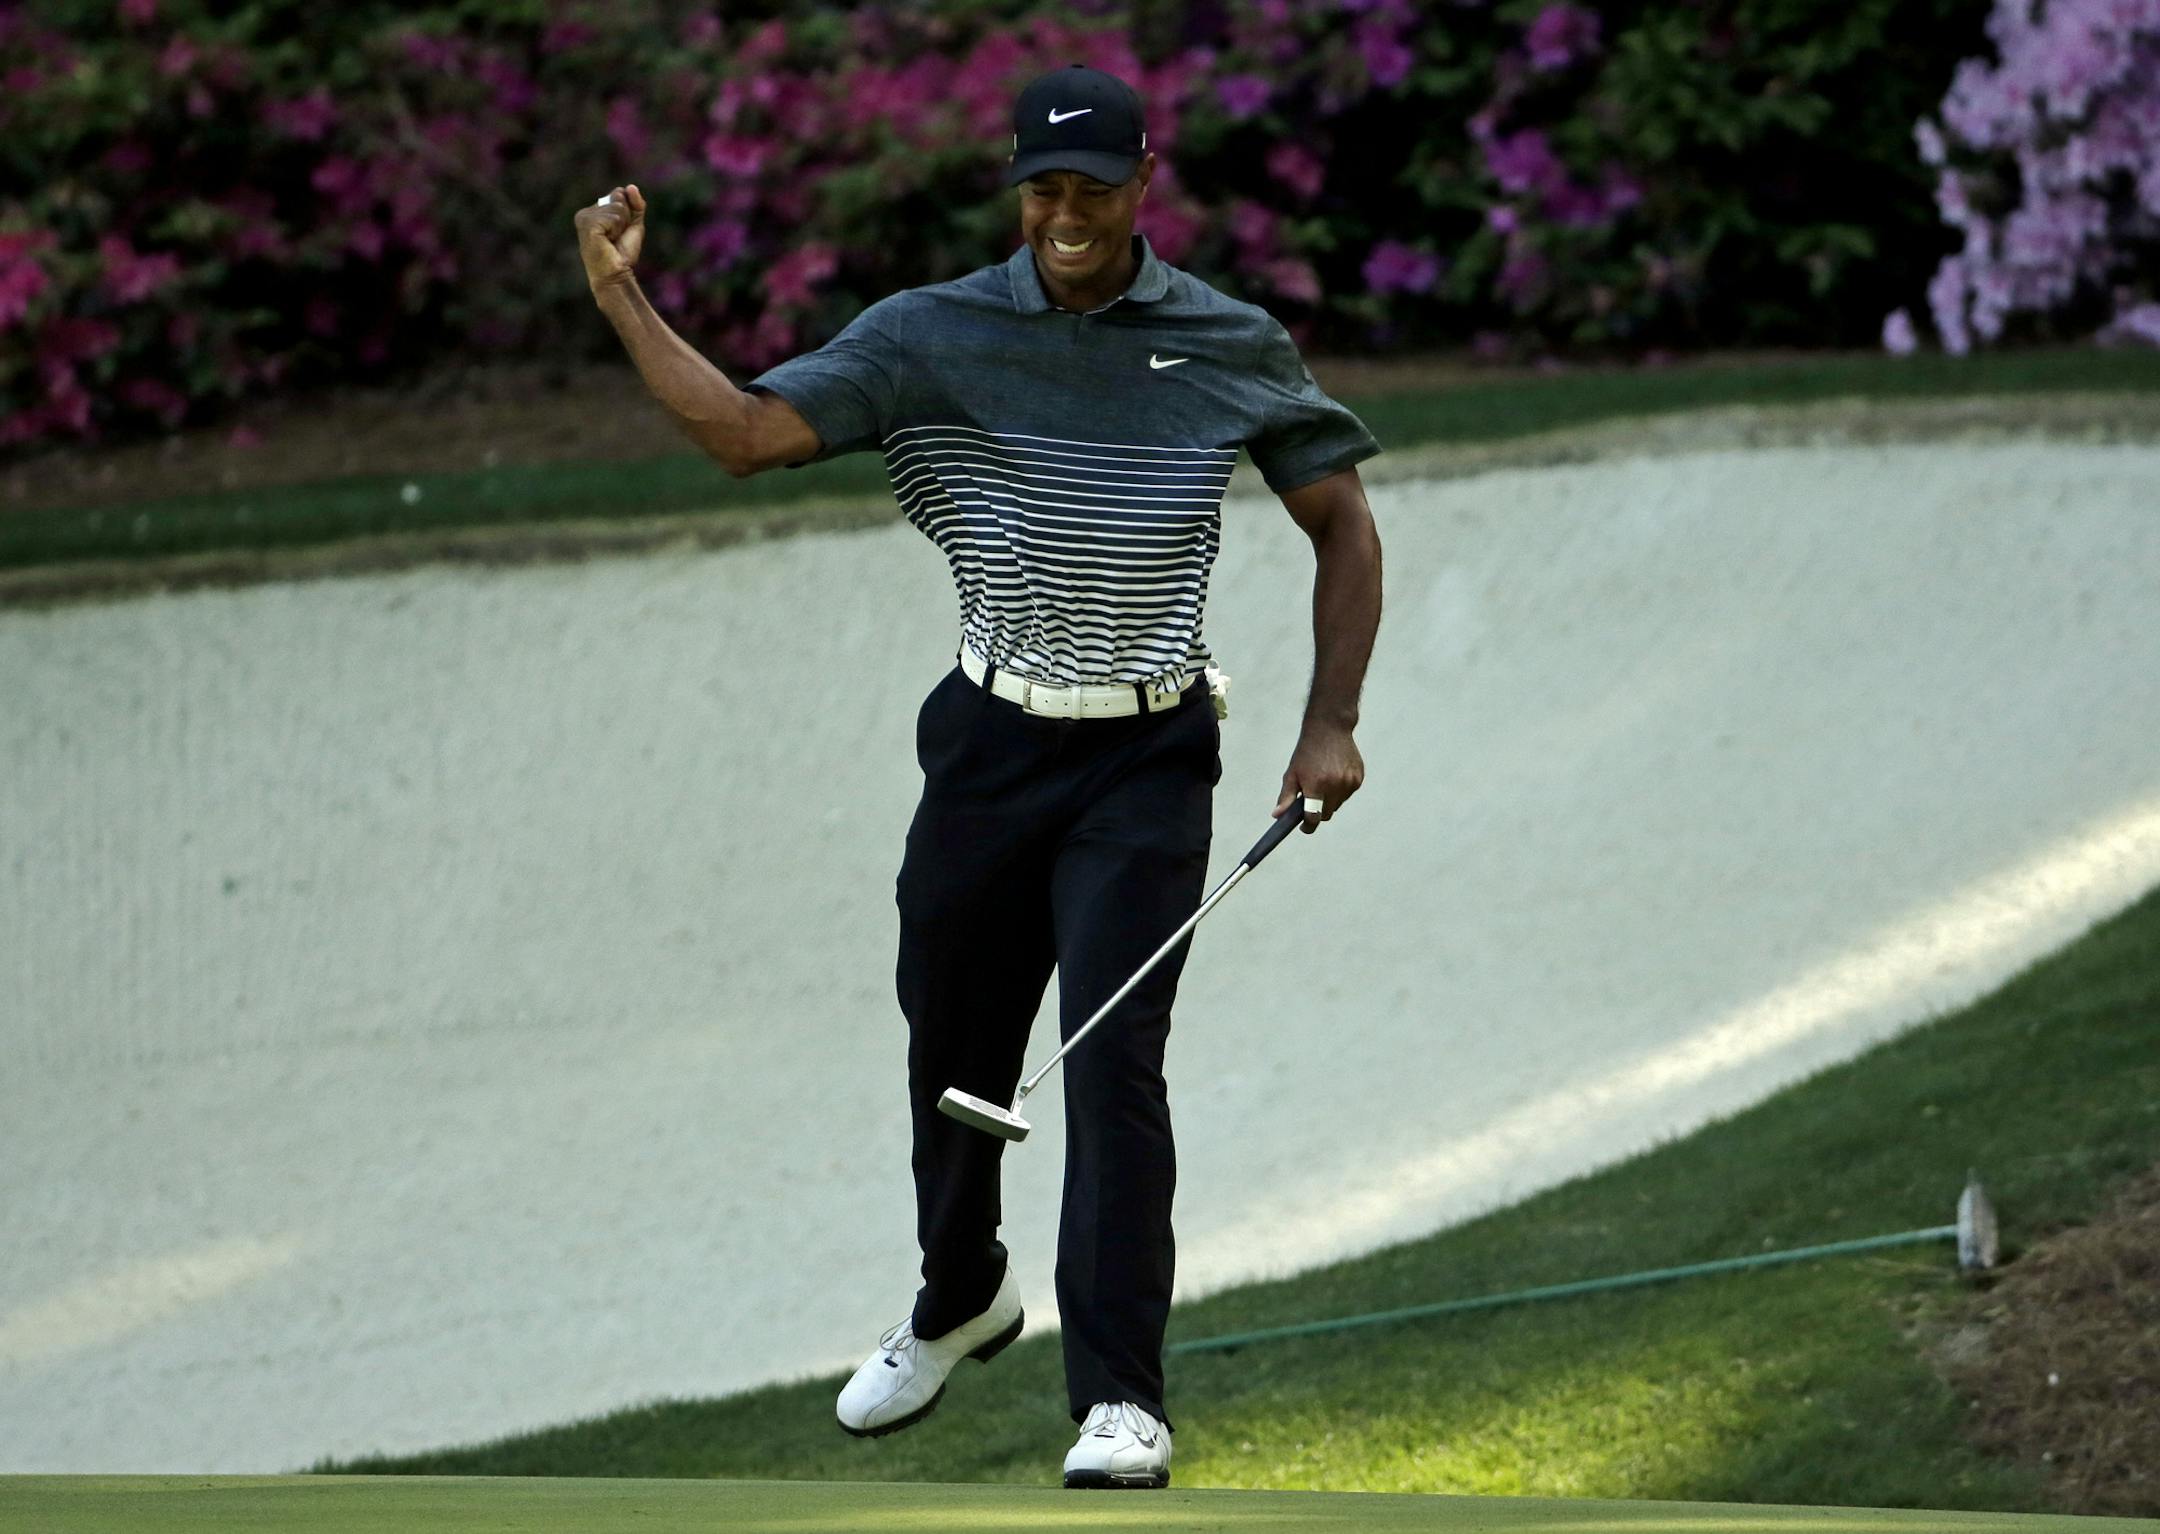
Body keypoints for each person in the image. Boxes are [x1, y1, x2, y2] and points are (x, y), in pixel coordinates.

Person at [575, 62, 1383, 1490]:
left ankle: (1120, 1399)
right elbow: (745, 435)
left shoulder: (1226, 341)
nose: (1066, 214)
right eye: (1042, 189)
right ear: (1018, 192)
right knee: (952, 1051)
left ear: (1144, 183)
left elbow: (1343, 523)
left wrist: (1331, 721)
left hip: (1147, 755)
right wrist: (621, 296)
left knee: (1111, 1061)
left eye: (1093, 188)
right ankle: (960, 1295)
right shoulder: (929, 334)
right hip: (988, 743)